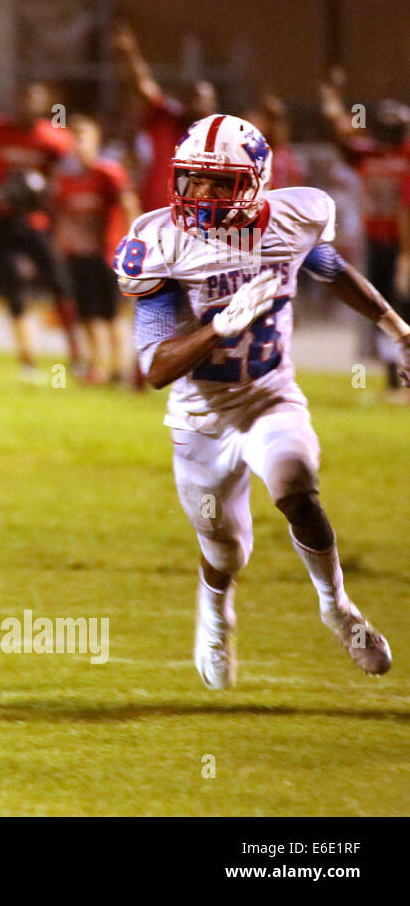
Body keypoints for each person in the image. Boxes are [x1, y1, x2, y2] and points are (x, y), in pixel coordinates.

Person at [117, 113, 404, 689]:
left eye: (216, 183)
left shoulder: (295, 217)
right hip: (201, 418)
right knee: (225, 552)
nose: (199, 195)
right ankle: (215, 609)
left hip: (270, 396)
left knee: (295, 483)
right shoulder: (160, 241)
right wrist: (217, 328)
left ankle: (337, 607)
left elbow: (329, 267)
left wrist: (398, 328)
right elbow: (153, 368)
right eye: (191, 180)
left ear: (254, 184)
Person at [0, 82, 77, 380]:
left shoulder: (53, 137)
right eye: (22, 100)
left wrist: (43, 193)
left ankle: (78, 355)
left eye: (33, 101)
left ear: (44, 105)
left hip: (32, 221)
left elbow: (60, 179)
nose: (26, 107)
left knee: (58, 284)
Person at [320, 68, 410, 394]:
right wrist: (331, 96)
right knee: (383, 309)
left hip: (404, 245)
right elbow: (342, 130)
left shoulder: (406, 156)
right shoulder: (367, 154)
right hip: (376, 241)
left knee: (403, 307)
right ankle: (393, 379)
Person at [52, 115, 140, 383]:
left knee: (111, 312)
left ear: (95, 140)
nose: (78, 143)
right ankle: (97, 366)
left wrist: (136, 243)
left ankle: (118, 367)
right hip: (80, 254)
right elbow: (63, 216)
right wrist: (61, 245)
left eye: (84, 136)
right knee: (88, 313)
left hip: (109, 253)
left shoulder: (108, 173)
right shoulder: (67, 179)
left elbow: (129, 205)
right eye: (74, 137)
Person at [113, 21, 217, 213]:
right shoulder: (168, 118)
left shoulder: (221, 137)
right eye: (192, 99)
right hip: (158, 211)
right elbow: (143, 87)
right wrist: (130, 53)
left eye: (203, 101)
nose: (197, 105)